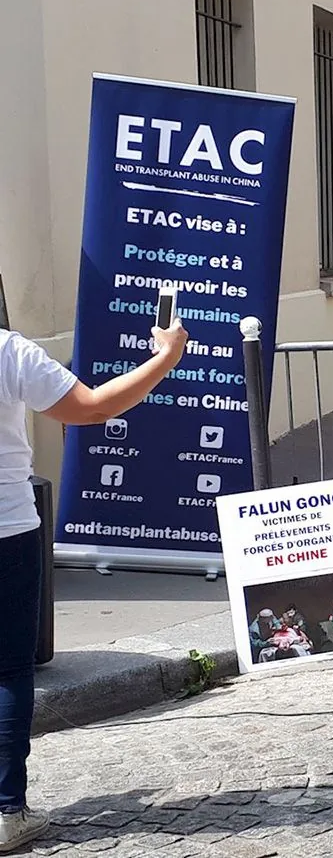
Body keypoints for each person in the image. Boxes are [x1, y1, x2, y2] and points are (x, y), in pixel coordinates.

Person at [0, 315, 188, 853]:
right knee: (7, 669)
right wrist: (166, 357)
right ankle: (4, 809)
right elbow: (93, 407)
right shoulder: (10, 350)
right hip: (5, 527)